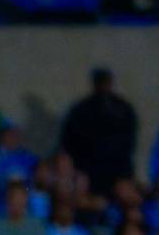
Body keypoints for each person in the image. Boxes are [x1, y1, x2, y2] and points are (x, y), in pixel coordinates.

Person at [58, 67, 138, 196]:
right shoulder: (80, 110)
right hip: (87, 172)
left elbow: (129, 142)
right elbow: (69, 142)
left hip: (117, 171)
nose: (104, 86)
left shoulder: (123, 109)